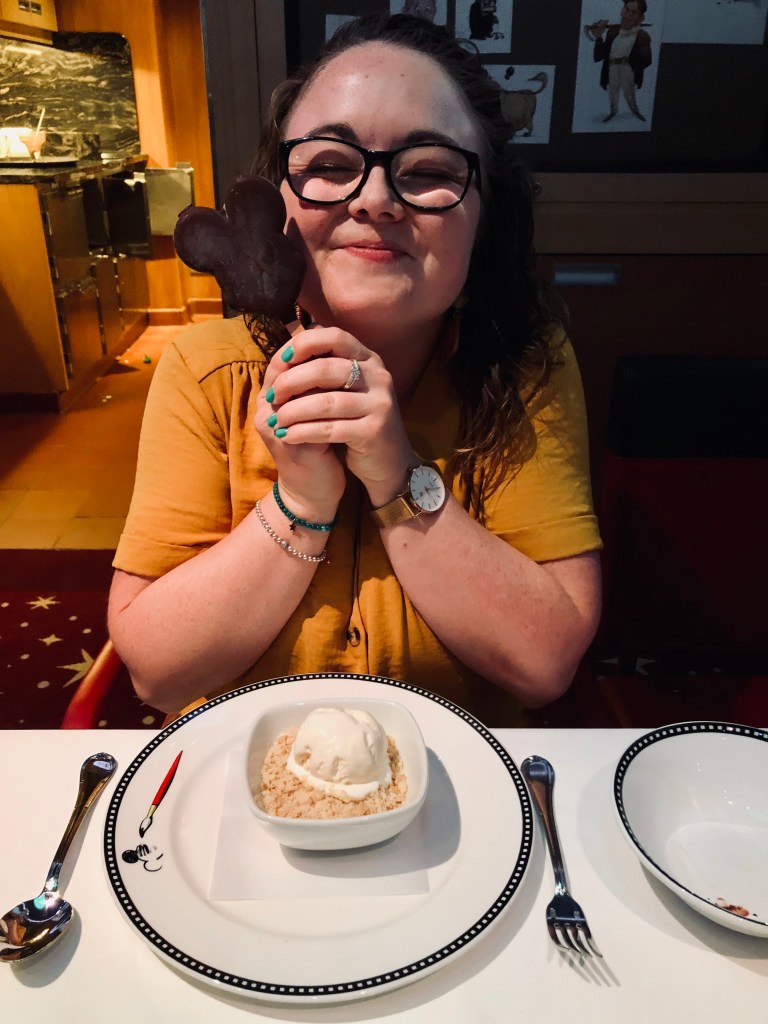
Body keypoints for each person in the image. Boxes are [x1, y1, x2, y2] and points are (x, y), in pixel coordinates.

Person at [108, 13, 602, 726]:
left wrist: (396, 474)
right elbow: (157, 673)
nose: (374, 199)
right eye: (330, 166)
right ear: (276, 201)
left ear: (486, 216)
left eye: (429, 172)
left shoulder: (525, 366)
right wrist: (300, 501)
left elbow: (542, 665)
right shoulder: (204, 369)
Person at [590, 1, 652, 122]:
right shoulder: (613, 32)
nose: (627, 15)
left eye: (633, 12)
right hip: (612, 66)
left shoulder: (642, 36)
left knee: (629, 92)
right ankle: (613, 111)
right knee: (612, 90)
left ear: (640, 18)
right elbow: (599, 56)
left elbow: (646, 60)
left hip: (626, 67)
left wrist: (632, 64)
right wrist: (598, 37)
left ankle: (635, 110)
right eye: (626, 9)